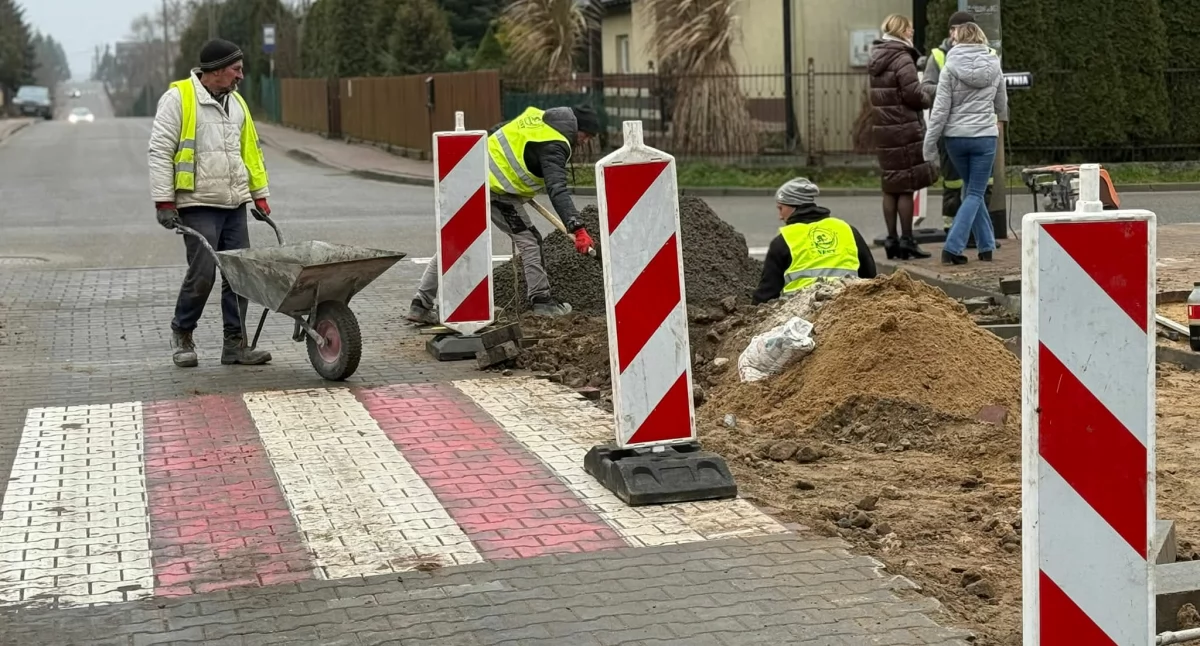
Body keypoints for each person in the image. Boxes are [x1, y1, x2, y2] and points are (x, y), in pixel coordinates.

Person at [407, 105, 600, 324]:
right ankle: (542, 301)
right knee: (531, 241)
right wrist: (577, 227)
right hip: (497, 192)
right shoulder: (555, 145)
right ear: (577, 128)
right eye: (586, 136)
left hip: (472, 178)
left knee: (454, 243)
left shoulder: (535, 117)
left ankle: (420, 304)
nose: (585, 141)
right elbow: (557, 189)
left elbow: (497, 133)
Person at [148, 38, 272, 368]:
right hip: (197, 202)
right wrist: (164, 201)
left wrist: (259, 195)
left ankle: (235, 344)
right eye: (236, 69)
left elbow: (251, 154)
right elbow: (160, 151)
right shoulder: (179, 99)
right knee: (203, 271)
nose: (240, 76)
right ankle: (182, 332)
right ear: (216, 71)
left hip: (234, 204)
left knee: (241, 275)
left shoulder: (238, 104)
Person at [923, 21, 1009, 266]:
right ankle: (952, 246)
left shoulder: (949, 66)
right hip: (984, 138)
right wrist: (1000, 121)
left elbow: (940, 110)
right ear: (981, 38)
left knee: (972, 190)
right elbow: (1001, 103)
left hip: (955, 139)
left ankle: (986, 246)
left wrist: (929, 144)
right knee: (974, 192)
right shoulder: (994, 65)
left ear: (957, 39)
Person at [867, 14, 938, 261]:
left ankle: (891, 239)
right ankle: (908, 240)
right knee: (906, 186)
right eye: (909, 28)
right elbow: (913, 94)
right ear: (902, 31)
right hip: (904, 129)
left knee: (890, 186)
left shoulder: (877, 57)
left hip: (884, 131)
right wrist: (927, 97)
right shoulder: (902, 57)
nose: (912, 32)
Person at [752, 178, 877, 304]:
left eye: (781, 208)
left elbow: (768, 292)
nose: (780, 216)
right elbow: (870, 275)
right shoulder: (846, 229)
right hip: (846, 306)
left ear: (794, 206)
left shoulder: (785, 239)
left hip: (800, 311)